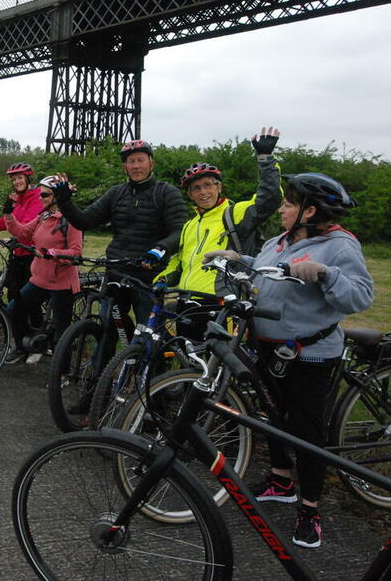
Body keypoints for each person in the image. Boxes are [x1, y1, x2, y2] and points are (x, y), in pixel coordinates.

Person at [206, 172, 373, 549]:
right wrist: (238, 258)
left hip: (308, 354)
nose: (281, 208)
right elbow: (266, 268)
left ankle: (310, 509)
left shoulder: (339, 247)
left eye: (289, 203)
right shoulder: (280, 240)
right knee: (273, 416)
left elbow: (361, 297)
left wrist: (326, 275)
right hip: (267, 345)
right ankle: (281, 481)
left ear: (310, 211)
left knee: (307, 432)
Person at [155, 127, 283, 334]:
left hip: (221, 304)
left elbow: (270, 199)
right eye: (196, 188)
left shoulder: (235, 213)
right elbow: (180, 261)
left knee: (216, 364)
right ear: (190, 194)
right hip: (186, 300)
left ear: (219, 187)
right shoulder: (190, 224)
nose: (203, 192)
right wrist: (162, 280)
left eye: (208, 185)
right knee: (189, 361)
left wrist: (265, 158)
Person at [54, 139, 187, 325]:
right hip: (116, 271)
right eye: (131, 162)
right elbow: (84, 221)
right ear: (125, 167)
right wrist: (64, 201)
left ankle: (144, 353)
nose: (136, 166)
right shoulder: (116, 193)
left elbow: (180, 231)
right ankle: (111, 354)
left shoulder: (166, 192)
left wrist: (159, 250)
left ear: (151, 163)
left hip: (148, 274)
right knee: (109, 325)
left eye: (140, 160)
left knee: (148, 332)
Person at [3, 175, 83, 362]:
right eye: (40, 195)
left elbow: (76, 253)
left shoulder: (70, 220)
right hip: (39, 279)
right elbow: (22, 233)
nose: (40, 198)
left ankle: (61, 374)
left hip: (61, 283)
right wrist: (8, 214)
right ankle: (26, 346)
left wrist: (52, 253)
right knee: (13, 310)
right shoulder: (43, 217)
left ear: (57, 197)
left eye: (45, 195)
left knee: (61, 333)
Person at [0, 162, 45, 302]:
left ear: (28, 178)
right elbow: (5, 221)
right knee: (12, 294)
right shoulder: (18, 200)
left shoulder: (37, 199)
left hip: (31, 256)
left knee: (28, 300)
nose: (16, 182)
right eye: (13, 180)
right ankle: (12, 323)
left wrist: (13, 239)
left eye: (19, 178)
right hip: (17, 254)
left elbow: (26, 228)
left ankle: (34, 324)